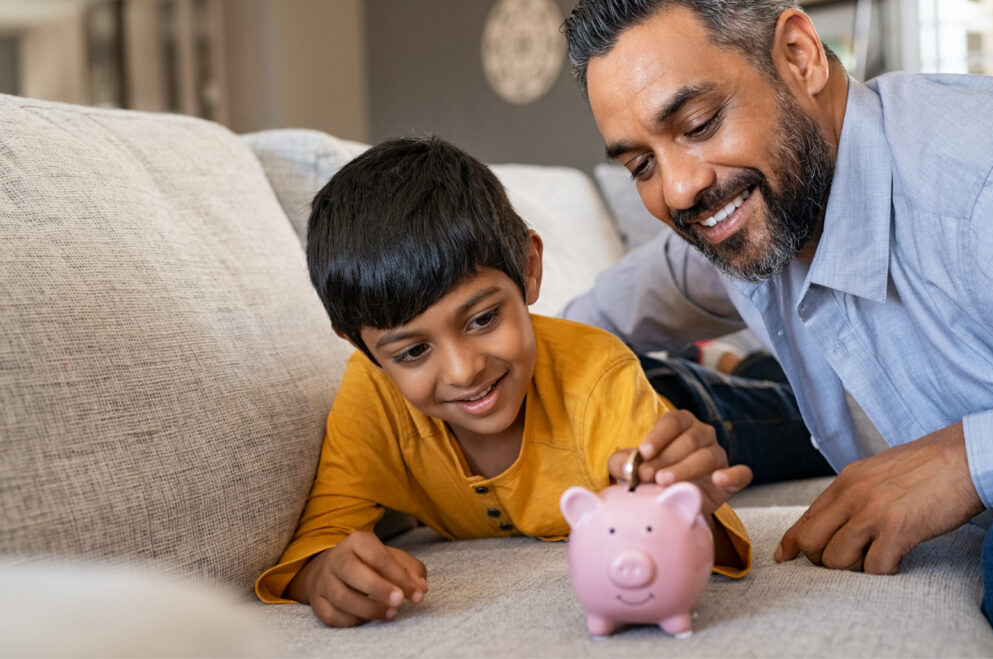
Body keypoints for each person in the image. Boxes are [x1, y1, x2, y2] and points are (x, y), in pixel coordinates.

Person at [560, 0, 993, 654]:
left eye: (697, 123)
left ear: (800, 56)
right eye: (641, 165)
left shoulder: (992, 183)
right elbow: (566, 335)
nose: (679, 189)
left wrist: (966, 458)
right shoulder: (737, 224)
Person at [253, 136, 754, 628]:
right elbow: (322, 538)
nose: (463, 370)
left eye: (483, 319)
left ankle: (734, 366)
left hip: (684, 403)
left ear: (529, 268)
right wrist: (323, 575)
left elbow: (683, 510)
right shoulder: (373, 398)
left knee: (777, 414)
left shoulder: (599, 377)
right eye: (413, 351)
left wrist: (688, 500)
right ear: (361, 347)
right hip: (624, 379)